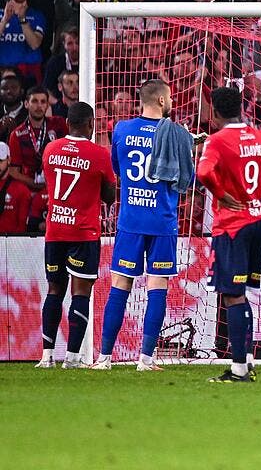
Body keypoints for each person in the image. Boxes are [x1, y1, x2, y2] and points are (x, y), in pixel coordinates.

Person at [196, 86, 261, 383]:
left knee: (232, 296)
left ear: (214, 112)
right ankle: (248, 358)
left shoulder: (216, 140)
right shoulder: (260, 137)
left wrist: (220, 193)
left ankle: (238, 369)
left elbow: (203, 173)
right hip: (257, 223)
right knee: (242, 294)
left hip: (232, 226)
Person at [94, 79, 190, 370]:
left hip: (131, 219)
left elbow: (117, 169)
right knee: (157, 286)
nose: (172, 102)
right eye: (170, 97)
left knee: (119, 286)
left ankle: (104, 358)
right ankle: (146, 359)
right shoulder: (177, 133)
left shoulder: (121, 129)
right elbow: (187, 180)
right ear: (161, 101)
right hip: (162, 221)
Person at [37, 102, 116, 368]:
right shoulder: (99, 154)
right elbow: (109, 197)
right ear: (91, 124)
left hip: (55, 230)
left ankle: (46, 356)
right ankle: (72, 358)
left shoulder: (50, 149)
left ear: (68, 123)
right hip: (83, 232)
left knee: (54, 290)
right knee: (80, 293)